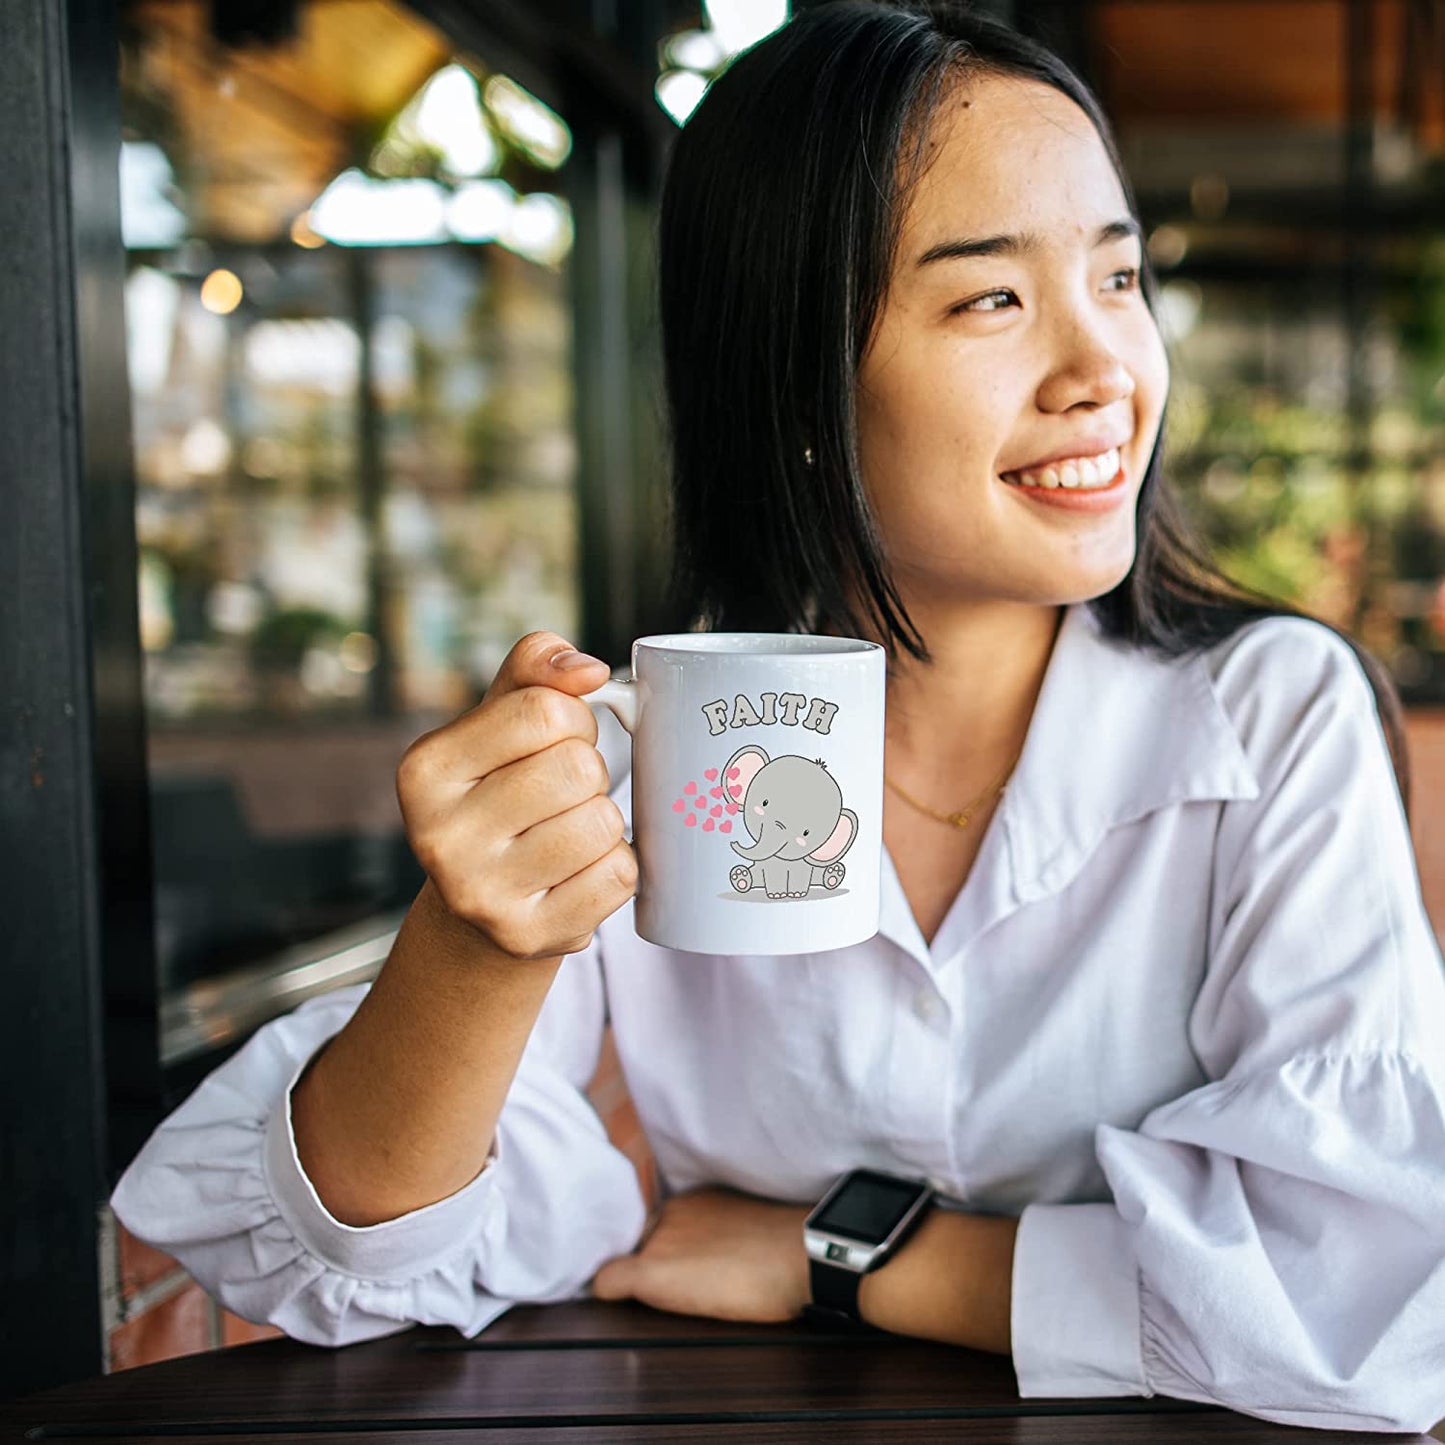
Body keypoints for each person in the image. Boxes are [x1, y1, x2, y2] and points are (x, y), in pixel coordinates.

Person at [112, 1, 1445, 1432]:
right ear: (797, 379)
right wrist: (478, 940)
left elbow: (1371, 1289)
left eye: (1117, 278)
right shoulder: (658, 739)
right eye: (990, 297)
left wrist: (855, 1255)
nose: (1103, 369)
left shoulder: (1262, 716)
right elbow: (338, 1261)